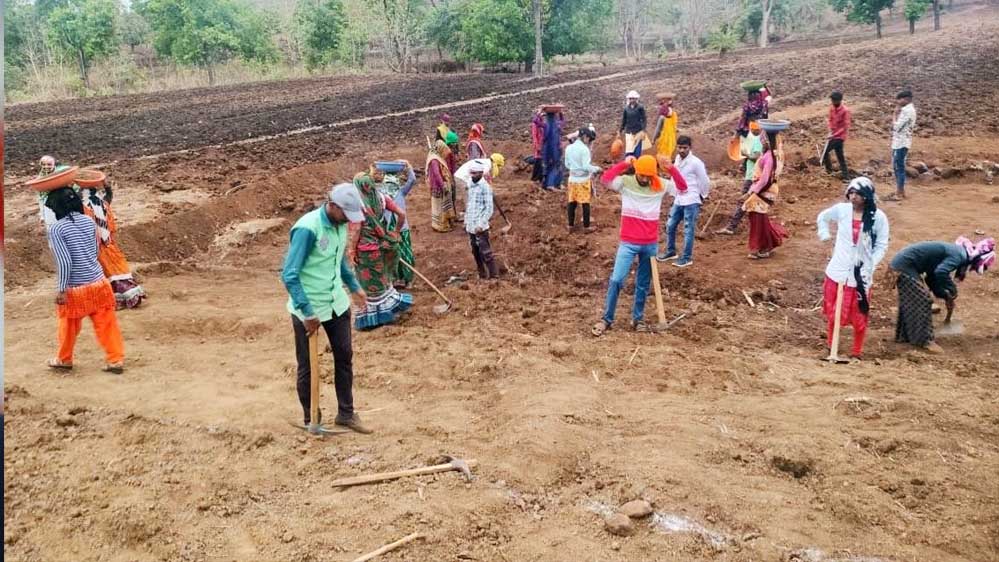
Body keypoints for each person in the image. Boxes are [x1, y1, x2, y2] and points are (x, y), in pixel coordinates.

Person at [281, 182, 372, 433]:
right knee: (307, 366)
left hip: (336, 303)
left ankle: (346, 413)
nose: (348, 221)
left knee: (344, 356)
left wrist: (353, 286)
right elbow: (289, 274)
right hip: (308, 307)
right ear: (332, 205)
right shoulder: (307, 229)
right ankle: (311, 418)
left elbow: (339, 260)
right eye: (346, 214)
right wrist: (307, 312)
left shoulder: (340, 225)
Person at [592, 155, 687, 336]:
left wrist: (671, 169)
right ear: (636, 172)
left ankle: (638, 319)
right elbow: (605, 179)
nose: (645, 179)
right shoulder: (625, 183)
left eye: (648, 176)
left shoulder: (658, 184)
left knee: (643, 283)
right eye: (642, 175)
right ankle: (607, 318)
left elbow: (683, 188)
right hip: (628, 243)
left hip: (650, 245)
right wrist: (625, 164)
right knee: (617, 279)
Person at [43, 187, 126, 374]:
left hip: (76, 289)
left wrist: (62, 289)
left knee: (68, 326)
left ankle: (64, 359)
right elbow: (96, 252)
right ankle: (115, 360)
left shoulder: (57, 229)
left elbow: (64, 261)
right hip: (98, 282)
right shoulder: (89, 222)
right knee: (107, 324)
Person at [816, 177, 890, 360]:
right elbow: (823, 218)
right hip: (838, 270)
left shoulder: (878, 217)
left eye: (858, 194)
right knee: (835, 312)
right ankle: (830, 346)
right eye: (851, 193)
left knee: (859, 315)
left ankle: (856, 352)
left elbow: (881, 244)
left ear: (867, 196)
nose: (854, 197)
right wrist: (824, 234)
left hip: (861, 275)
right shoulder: (842, 211)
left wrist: (871, 263)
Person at [889, 237, 995, 353]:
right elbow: (941, 272)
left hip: (902, 265)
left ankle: (904, 336)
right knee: (923, 300)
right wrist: (952, 290)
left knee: (912, 300)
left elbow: (932, 277)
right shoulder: (960, 255)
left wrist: (945, 295)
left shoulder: (958, 251)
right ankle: (925, 341)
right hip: (903, 267)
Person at [352, 173, 412, 330]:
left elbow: (357, 229)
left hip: (366, 251)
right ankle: (388, 311)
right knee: (383, 280)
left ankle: (375, 319)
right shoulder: (382, 198)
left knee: (369, 285)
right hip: (383, 246)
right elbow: (401, 214)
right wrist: (396, 232)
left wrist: (351, 251)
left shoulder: (359, 205)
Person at [79, 180, 146, 309]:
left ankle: (116, 300)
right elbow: (109, 194)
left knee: (106, 274)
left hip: (96, 246)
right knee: (119, 270)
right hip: (109, 244)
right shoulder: (103, 203)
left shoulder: (83, 208)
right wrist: (106, 184)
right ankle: (129, 296)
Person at [659, 136, 710, 268]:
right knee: (670, 225)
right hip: (679, 198)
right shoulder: (677, 159)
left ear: (690, 148)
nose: (682, 150)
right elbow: (674, 177)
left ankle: (687, 257)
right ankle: (671, 251)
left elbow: (704, 180)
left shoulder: (696, 163)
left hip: (691, 199)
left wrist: (702, 195)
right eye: (680, 147)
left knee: (688, 229)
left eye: (685, 148)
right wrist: (672, 191)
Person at [742, 129, 789, 259]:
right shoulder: (777, 154)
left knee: (757, 218)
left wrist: (751, 191)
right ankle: (768, 243)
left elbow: (765, 179)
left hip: (764, 189)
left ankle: (758, 247)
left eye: (763, 139)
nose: (761, 142)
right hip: (768, 189)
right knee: (760, 218)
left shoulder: (769, 156)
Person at [374, 163, 418, 288]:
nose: (390, 186)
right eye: (388, 183)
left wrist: (408, 166)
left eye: (393, 183)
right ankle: (393, 280)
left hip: (402, 229)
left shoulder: (401, 192)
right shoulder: (380, 195)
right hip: (388, 230)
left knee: (406, 254)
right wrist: (373, 171)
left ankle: (408, 279)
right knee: (390, 255)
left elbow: (413, 179)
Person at [716, 121, 763, 235]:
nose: (751, 131)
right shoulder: (760, 140)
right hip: (754, 175)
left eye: (752, 130)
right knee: (755, 203)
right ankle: (758, 229)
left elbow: (756, 156)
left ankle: (731, 227)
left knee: (743, 201)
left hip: (752, 177)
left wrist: (745, 154)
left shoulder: (757, 141)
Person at [464, 163, 499, 279]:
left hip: (480, 226)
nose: (472, 175)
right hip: (471, 225)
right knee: (475, 251)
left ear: (480, 173)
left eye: (475, 173)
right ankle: (482, 273)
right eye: (471, 173)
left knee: (486, 252)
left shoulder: (485, 187)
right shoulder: (470, 185)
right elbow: (469, 205)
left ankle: (494, 276)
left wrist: (481, 223)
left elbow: (489, 208)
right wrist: (466, 221)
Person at [564, 126, 601, 231]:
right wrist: (597, 169)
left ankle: (570, 225)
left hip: (572, 180)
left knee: (572, 202)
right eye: (588, 138)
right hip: (582, 180)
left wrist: (574, 168)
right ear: (584, 136)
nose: (588, 140)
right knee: (585, 203)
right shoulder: (584, 150)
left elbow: (567, 164)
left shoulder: (569, 148)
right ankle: (586, 227)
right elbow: (586, 166)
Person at [886, 90, 916, 201]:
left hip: (901, 142)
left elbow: (897, 127)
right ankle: (899, 191)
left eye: (900, 99)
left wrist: (894, 115)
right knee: (897, 166)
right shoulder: (908, 110)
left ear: (906, 99)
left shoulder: (907, 111)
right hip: (900, 142)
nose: (898, 101)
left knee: (899, 167)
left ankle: (900, 192)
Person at [426, 140, 457, 232]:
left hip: (440, 185)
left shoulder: (436, 157)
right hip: (438, 186)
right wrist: (443, 185)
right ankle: (440, 226)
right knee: (439, 207)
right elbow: (436, 174)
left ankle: (444, 223)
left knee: (442, 206)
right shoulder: (434, 160)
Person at [822, 91, 851, 180]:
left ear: (839, 100)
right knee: (840, 156)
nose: (832, 101)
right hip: (833, 135)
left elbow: (845, 126)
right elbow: (830, 120)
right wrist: (830, 130)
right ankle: (846, 176)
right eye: (832, 100)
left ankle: (829, 170)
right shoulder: (832, 108)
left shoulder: (845, 111)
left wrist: (834, 135)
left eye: (834, 100)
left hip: (840, 137)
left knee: (825, 152)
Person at [541, 108, 565, 191]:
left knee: (549, 166)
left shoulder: (545, 125)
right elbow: (562, 120)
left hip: (547, 149)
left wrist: (539, 113)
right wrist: (561, 113)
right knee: (556, 166)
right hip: (555, 149)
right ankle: (552, 184)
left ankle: (549, 184)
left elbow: (535, 121)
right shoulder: (557, 125)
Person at [619, 91, 647, 158]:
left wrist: (643, 130)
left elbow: (644, 119)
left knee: (637, 151)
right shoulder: (626, 109)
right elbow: (624, 120)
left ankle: (636, 165)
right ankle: (628, 166)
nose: (632, 100)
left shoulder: (640, 107)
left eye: (633, 98)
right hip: (629, 131)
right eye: (630, 98)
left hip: (638, 131)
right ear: (628, 99)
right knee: (629, 151)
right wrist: (620, 130)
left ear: (636, 99)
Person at [651, 93, 678, 160]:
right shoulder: (662, 117)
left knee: (668, 151)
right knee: (663, 152)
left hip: (670, 137)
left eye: (670, 100)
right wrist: (654, 139)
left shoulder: (673, 113)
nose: (670, 101)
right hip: (663, 138)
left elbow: (674, 124)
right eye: (668, 100)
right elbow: (658, 128)